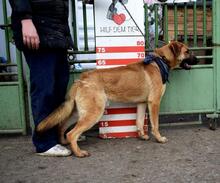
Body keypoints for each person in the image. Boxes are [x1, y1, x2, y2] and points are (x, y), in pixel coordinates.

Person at [9, 0, 73, 156]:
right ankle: (44, 143)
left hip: (56, 30)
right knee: (45, 87)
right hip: (37, 28)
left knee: (59, 86)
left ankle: (56, 135)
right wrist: (26, 19)